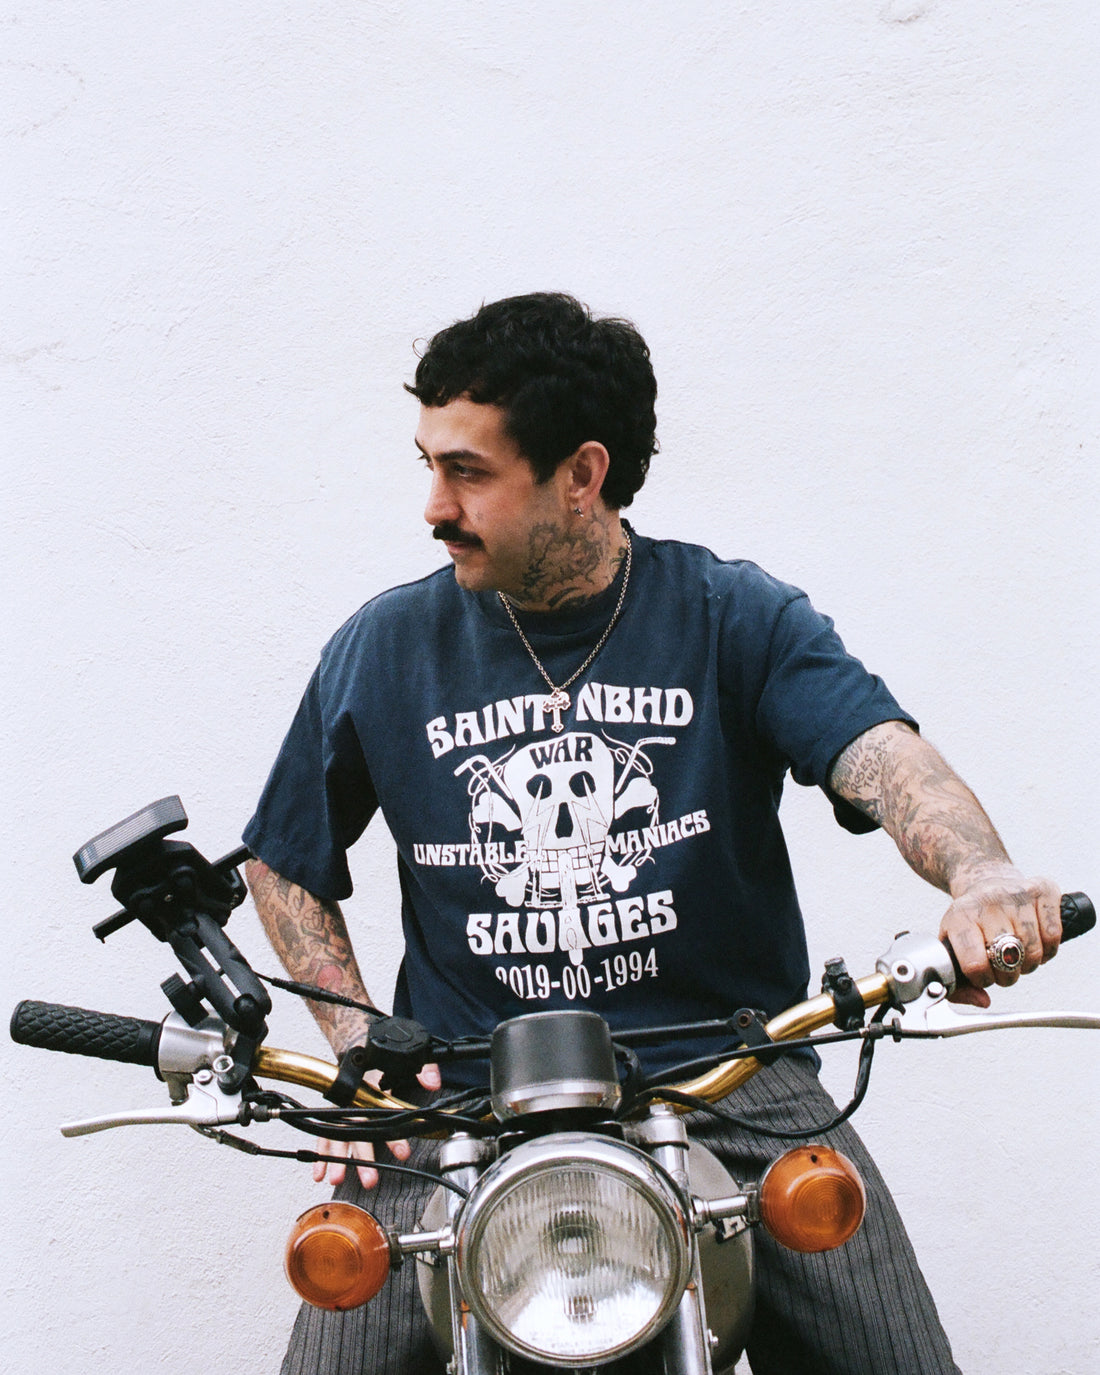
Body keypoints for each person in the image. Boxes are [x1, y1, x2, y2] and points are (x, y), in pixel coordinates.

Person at [243, 292, 1062, 1375]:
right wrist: (360, 1049)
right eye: (429, 465)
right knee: (334, 1340)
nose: (434, 506)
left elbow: (881, 757)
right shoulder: (387, 645)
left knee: (892, 1350)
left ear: (581, 474)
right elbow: (283, 857)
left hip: (726, 1077)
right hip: (464, 1097)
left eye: (468, 472)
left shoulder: (731, 615)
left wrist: (979, 871)